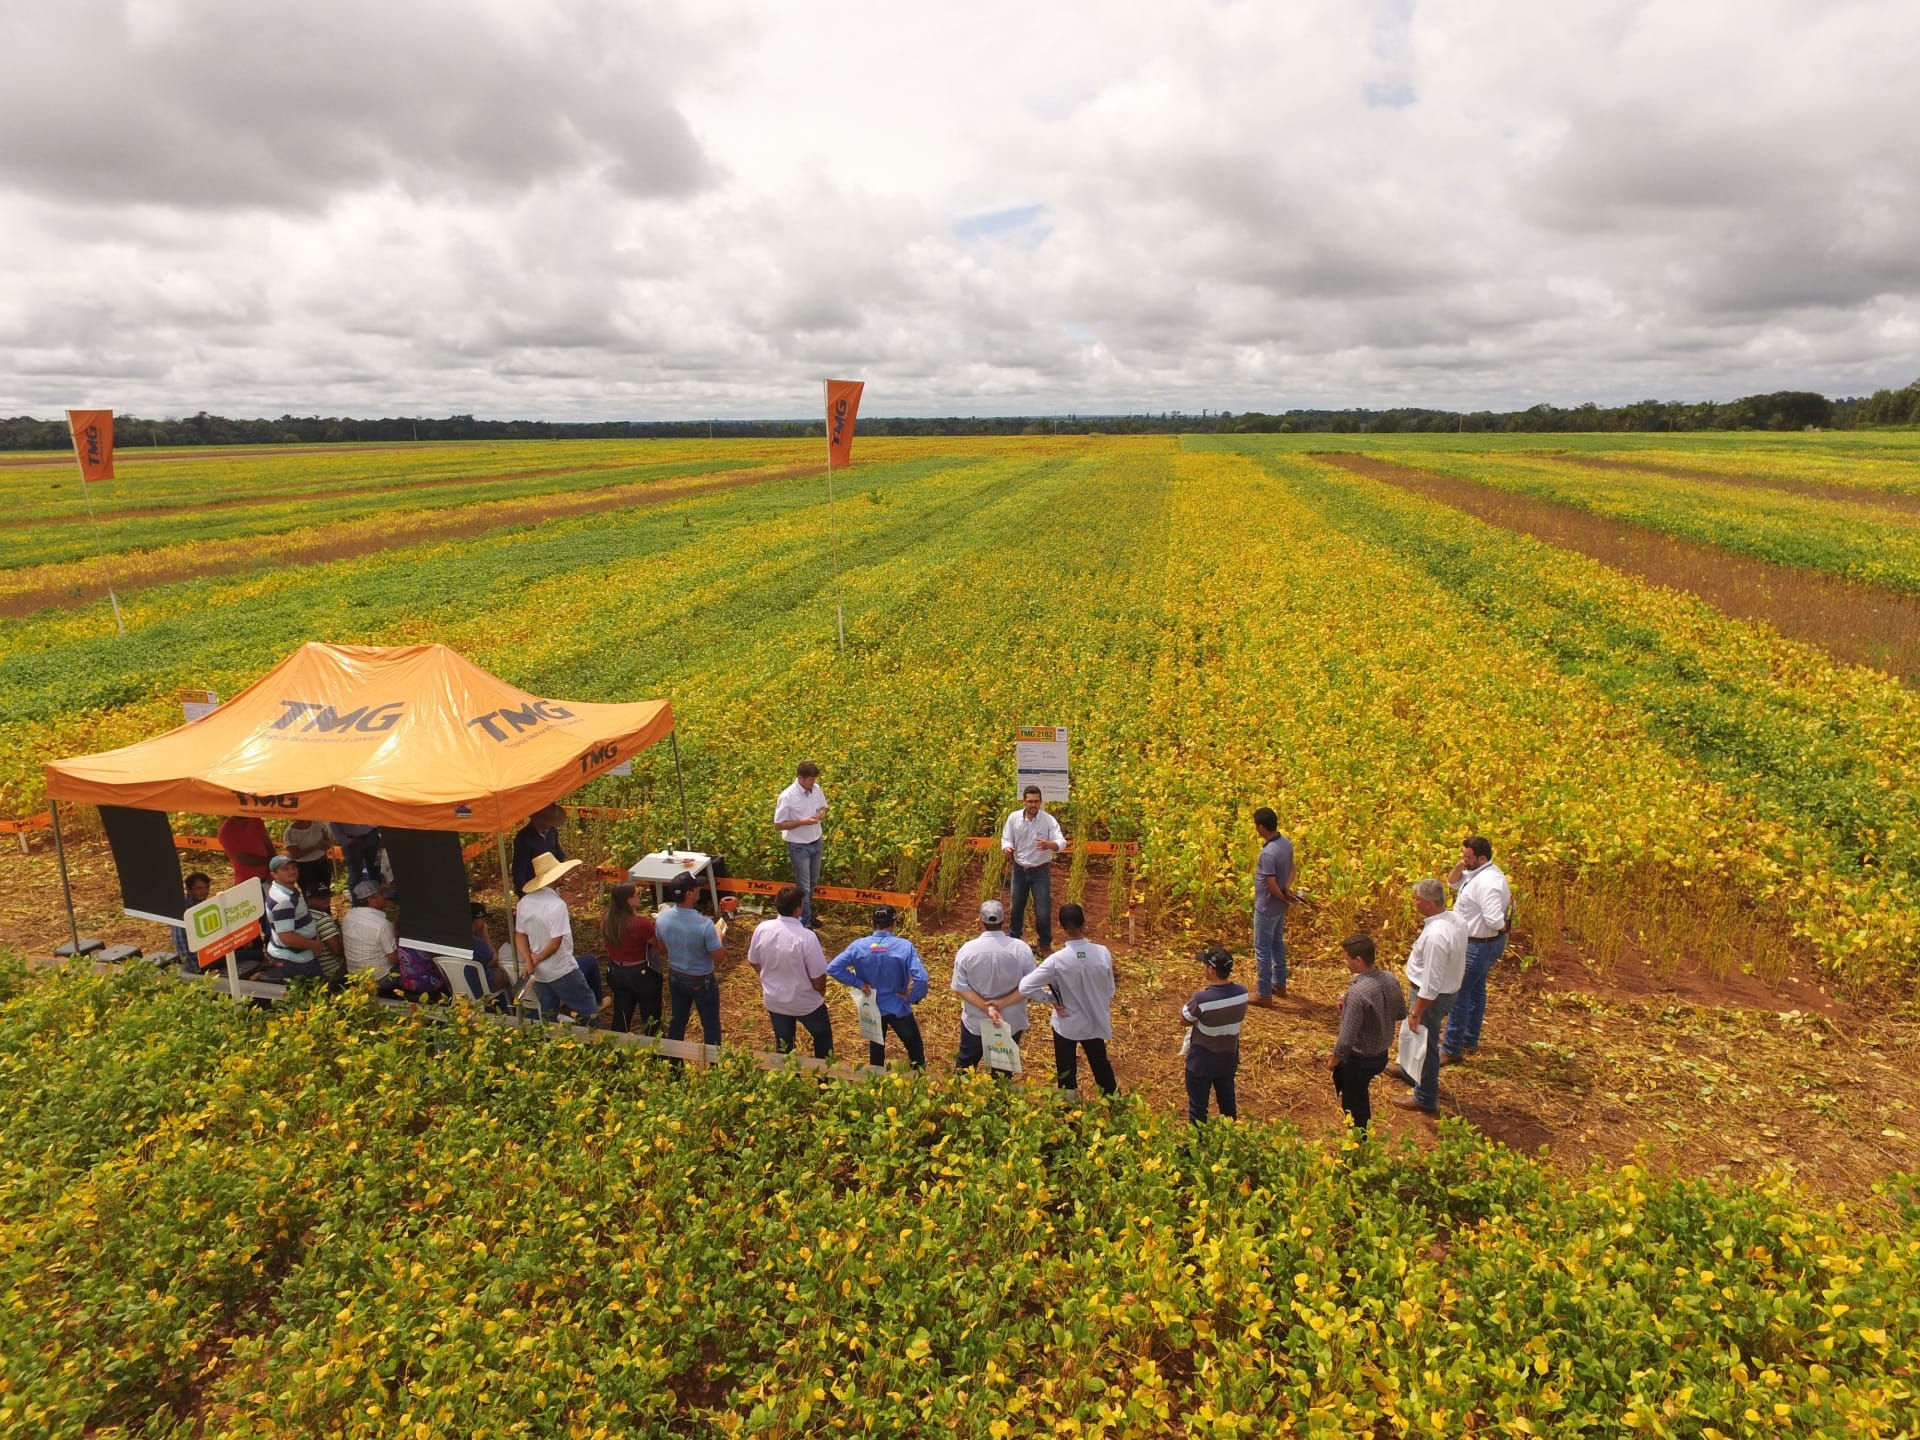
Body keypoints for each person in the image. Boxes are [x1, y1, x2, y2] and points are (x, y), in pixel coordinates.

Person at [1018, 903, 1119, 1095]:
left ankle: (1068, 1109)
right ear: (1084, 923)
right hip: (1095, 1021)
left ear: (1060, 926)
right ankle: (1114, 1105)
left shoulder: (1056, 961)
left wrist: (1051, 999)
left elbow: (1025, 987)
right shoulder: (1102, 953)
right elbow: (1109, 990)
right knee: (1101, 1066)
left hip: (1067, 1023)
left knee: (1066, 1072)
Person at [1394, 879, 1468, 1115]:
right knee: (1418, 1039)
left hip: (1430, 998)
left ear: (1427, 903)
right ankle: (1409, 1071)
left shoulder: (1436, 936)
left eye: (1416, 899)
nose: (1414, 902)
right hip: (1445, 990)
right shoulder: (1455, 920)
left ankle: (1425, 1097)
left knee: (1426, 1044)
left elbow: (1431, 984)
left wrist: (1417, 1011)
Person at [828, 904, 931, 1069]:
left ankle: (875, 1081)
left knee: (876, 1049)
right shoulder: (904, 946)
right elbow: (922, 978)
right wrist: (912, 997)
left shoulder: (858, 946)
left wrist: (858, 983)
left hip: (871, 1005)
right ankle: (918, 1079)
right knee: (914, 1047)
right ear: (894, 923)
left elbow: (833, 968)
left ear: (872, 923)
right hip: (898, 1006)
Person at [1442, 835, 1513, 1066]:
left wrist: (1503, 928)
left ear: (1482, 858)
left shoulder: (1488, 883)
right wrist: (1461, 864)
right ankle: (1469, 1038)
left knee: (1459, 993)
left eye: (1468, 857)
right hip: (1481, 943)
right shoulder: (1477, 872)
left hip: (1479, 945)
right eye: (1463, 855)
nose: (1464, 860)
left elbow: (1494, 919)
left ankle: (1451, 1048)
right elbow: (1452, 882)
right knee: (1475, 990)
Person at [747, 884, 833, 1058]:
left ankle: (786, 1074)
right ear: (798, 909)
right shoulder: (807, 937)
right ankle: (823, 1074)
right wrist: (820, 991)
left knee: (783, 1045)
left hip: (775, 1000)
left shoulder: (762, 929)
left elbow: (753, 960)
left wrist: (768, 977)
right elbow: (818, 977)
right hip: (805, 1002)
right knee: (823, 1037)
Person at [951, 898, 1036, 1073]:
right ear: (1004, 920)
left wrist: (987, 1007)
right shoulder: (1021, 949)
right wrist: (1002, 1004)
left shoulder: (967, 950)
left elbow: (960, 987)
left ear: (980, 921)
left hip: (976, 1020)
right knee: (1003, 1072)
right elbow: (1030, 986)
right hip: (1010, 1020)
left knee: (965, 1067)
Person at [1330, 935, 1405, 1134]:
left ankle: (1358, 1139)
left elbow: (1346, 1040)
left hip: (1359, 1061)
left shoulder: (1357, 993)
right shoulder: (1390, 979)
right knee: (1360, 1093)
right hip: (1382, 1055)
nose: (1345, 962)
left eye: (1347, 958)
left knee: (1355, 1103)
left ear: (1358, 960)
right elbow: (1400, 1013)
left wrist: (1334, 1060)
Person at [514, 851, 598, 1023]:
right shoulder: (557, 905)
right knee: (589, 1012)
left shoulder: (524, 903)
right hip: (561, 968)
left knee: (548, 1013)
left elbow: (519, 935)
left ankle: (548, 1038)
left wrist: (529, 959)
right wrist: (536, 958)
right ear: (554, 878)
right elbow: (555, 943)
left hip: (540, 973)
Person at [658, 873, 726, 1048]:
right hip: (701, 980)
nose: (699, 889)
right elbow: (719, 957)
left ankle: (674, 1059)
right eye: (696, 887)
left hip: (676, 976)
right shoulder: (705, 925)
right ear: (689, 894)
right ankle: (713, 1061)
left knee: (677, 1020)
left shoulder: (662, 918)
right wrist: (719, 937)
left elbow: (662, 949)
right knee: (710, 1025)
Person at [1182, 945, 1247, 1123]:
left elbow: (1184, 1019)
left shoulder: (1201, 999)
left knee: (1198, 1109)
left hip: (1202, 1061)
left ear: (1211, 970)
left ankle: (1196, 1141)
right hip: (1228, 1059)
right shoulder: (1242, 994)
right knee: (1228, 1105)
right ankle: (1230, 1136)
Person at [1001, 786, 1065, 954]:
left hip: (1040, 871)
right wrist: (1007, 848)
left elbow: (1061, 842)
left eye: (1036, 801)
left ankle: (1044, 944)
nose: (1033, 805)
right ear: (1024, 801)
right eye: (1030, 801)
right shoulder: (1014, 818)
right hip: (1019, 869)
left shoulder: (1048, 820)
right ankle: (1014, 941)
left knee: (1043, 910)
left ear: (1041, 801)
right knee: (1016, 907)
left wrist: (1050, 845)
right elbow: (1006, 838)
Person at [1249, 807, 1299, 1007]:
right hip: (1279, 907)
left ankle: (1264, 994)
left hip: (1267, 907)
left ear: (1261, 827)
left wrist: (1282, 896)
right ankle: (1279, 984)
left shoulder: (1268, 853)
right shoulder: (1285, 843)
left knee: (1262, 949)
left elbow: (1270, 884)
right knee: (1277, 943)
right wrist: (1286, 890)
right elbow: (1293, 870)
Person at [602, 882, 665, 1036]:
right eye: (637, 895)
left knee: (621, 1015)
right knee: (651, 1018)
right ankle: (656, 1048)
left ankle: (616, 1047)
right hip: (641, 975)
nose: (639, 897)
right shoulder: (640, 924)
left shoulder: (607, 920)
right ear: (628, 900)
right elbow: (658, 945)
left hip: (616, 972)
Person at [772, 762, 828, 929]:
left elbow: (823, 807)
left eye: (814, 780)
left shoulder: (816, 789)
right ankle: (805, 922)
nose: (813, 783)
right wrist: (802, 822)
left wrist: (821, 814)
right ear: (800, 778)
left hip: (816, 841)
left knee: (812, 883)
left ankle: (808, 915)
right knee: (804, 887)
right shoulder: (787, 796)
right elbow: (778, 825)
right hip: (799, 846)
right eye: (810, 780)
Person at [261, 854, 326, 980]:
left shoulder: (287, 890)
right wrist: (314, 945)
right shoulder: (283, 901)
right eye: (285, 869)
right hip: (294, 960)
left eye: (293, 867)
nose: (292, 871)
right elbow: (287, 937)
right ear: (274, 874)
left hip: (298, 955)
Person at [341, 878, 401, 977]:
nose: (385, 897)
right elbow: (394, 959)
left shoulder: (349, 915)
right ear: (370, 899)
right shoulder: (382, 924)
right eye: (381, 894)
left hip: (354, 975)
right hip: (378, 978)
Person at [511, 805, 566, 899]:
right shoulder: (523, 838)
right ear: (538, 820)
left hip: (552, 884)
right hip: (534, 887)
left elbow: (557, 852)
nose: (551, 825)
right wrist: (523, 895)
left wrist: (561, 871)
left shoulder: (552, 831)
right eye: (548, 821)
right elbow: (518, 869)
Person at [283, 818, 334, 906]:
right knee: (310, 896)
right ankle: (312, 913)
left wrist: (326, 844)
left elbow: (328, 841)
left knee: (324, 893)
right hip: (304, 868)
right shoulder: (290, 832)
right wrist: (315, 847)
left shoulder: (318, 824)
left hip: (321, 863)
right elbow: (296, 854)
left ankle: (326, 912)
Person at [218, 814, 273, 888]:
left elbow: (267, 843)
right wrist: (271, 860)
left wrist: (274, 866)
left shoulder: (256, 820)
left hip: (268, 877)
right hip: (247, 881)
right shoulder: (226, 830)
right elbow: (242, 859)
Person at [328, 822, 383, 890]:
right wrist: (347, 841)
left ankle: (378, 893)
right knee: (355, 874)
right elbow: (334, 826)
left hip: (371, 835)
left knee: (375, 869)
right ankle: (356, 896)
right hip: (352, 843)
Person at [171, 871, 212, 962]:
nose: (205, 892)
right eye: (199, 888)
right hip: (197, 962)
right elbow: (182, 943)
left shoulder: (201, 905)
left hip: (209, 954)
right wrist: (197, 968)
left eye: (206, 888)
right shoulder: (185, 912)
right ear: (189, 890)